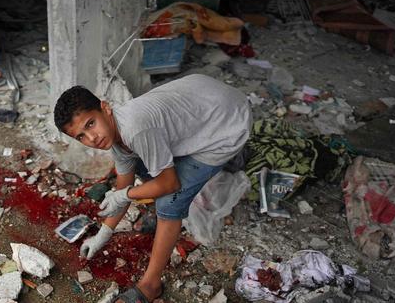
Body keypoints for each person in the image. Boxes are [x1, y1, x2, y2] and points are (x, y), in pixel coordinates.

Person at [53, 74, 251, 302]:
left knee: (168, 201)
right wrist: (103, 234)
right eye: (81, 136)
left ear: (105, 108)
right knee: (143, 168)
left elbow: (169, 184)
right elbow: (123, 182)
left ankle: (151, 285)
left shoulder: (136, 129)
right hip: (209, 99)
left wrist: (125, 195)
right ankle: (203, 157)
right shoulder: (116, 134)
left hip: (231, 121)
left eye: (90, 124)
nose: (92, 138)